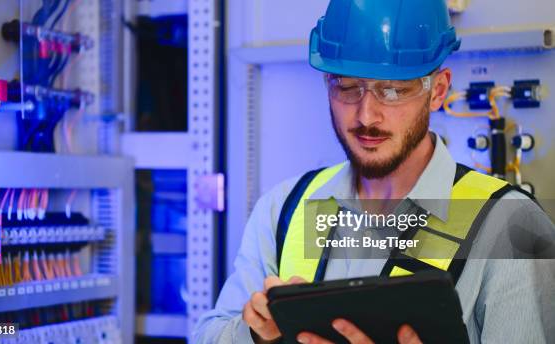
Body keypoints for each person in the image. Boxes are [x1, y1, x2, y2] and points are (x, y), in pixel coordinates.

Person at [193, 0, 555, 343]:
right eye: (347, 87)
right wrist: (256, 333)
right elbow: (209, 334)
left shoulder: (512, 228)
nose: (366, 115)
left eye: (393, 91)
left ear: (438, 91)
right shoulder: (285, 208)